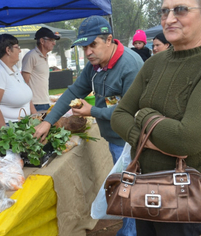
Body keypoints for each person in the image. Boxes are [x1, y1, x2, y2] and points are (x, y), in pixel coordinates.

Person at [111, 0, 201, 235]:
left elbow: (185, 140)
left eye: (181, 9)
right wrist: (148, 137)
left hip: (183, 190)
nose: (169, 18)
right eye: (165, 11)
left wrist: (143, 115)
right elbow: (118, 116)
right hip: (141, 183)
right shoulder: (154, 63)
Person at [33, 15, 143, 236]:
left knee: (130, 189)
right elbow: (75, 91)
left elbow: (130, 111)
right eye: (84, 47)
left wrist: (92, 111)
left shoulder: (131, 65)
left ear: (109, 39)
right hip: (114, 138)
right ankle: (129, 229)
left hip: (130, 140)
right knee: (125, 188)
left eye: (93, 44)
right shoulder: (95, 65)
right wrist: (47, 121)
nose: (88, 52)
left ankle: (130, 232)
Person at [0, 34, 36, 128]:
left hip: (25, 124)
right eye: (17, 47)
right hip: (11, 126)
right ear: (8, 50)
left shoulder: (14, 68)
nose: (20, 50)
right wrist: (5, 132)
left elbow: (27, 98)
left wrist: (36, 117)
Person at [21, 27, 60, 112]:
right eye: (51, 40)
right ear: (42, 41)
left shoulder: (45, 56)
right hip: (35, 104)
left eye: (54, 41)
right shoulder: (31, 56)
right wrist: (31, 107)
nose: (54, 43)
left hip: (45, 102)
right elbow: (24, 83)